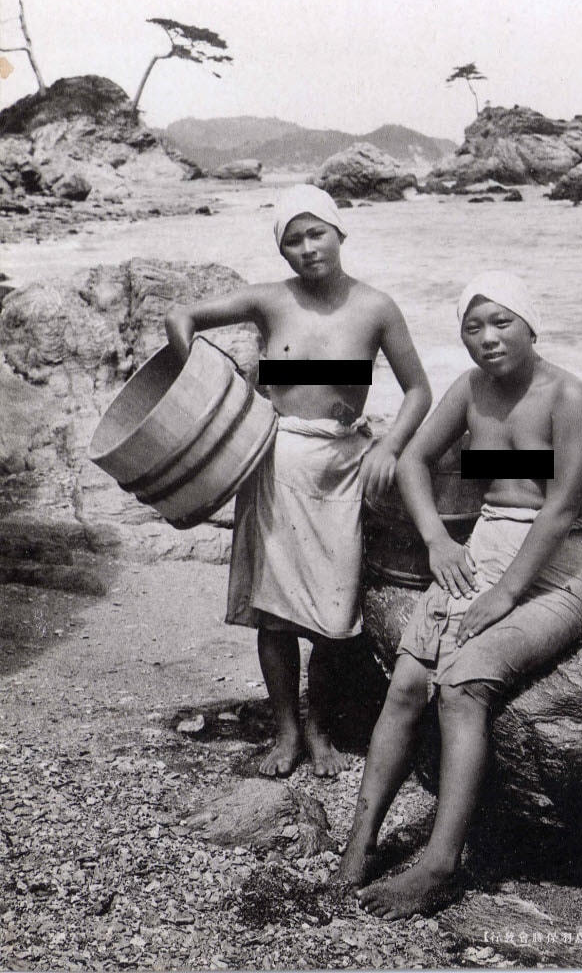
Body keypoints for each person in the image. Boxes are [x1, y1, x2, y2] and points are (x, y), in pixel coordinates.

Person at [338, 270, 582, 917]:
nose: (487, 338)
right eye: (472, 326)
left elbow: (561, 508)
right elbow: (411, 460)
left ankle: (439, 864)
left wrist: (505, 595)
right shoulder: (470, 389)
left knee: (461, 686)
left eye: (501, 322)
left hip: (554, 567)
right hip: (481, 550)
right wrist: (437, 540)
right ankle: (360, 840)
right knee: (407, 683)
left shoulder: (569, 397)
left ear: (531, 324)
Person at [165, 184, 431, 778]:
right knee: (274, 612)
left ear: (340, 233)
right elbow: (180, 317)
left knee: (335, 617)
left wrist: (390, 446)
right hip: (276, 462)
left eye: (317, 233)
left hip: (343, 467)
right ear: (281, 250)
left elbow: (419, 390)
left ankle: (319, 726)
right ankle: (287, 730)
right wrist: (200, 387)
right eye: (293, 240)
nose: (308, 248)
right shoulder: (270, 300)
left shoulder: (376, 307)